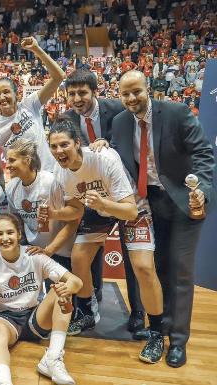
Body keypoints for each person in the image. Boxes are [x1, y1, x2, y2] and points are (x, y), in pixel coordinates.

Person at [111, 70, 215, 367]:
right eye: (126, 94)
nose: (132, 99)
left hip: (184, 201)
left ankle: (179, 341)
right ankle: (162, 327)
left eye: (137, 92)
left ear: (149, 89)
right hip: (150, 202)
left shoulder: (176, 112)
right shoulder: (119, 123)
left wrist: (202, 192)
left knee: (181, 271)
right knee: (158, 268)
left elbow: (204, 154)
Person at [63, 69, 145, 333]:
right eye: (72, 93)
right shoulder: (67, 120)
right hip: (93, 195)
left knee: (133, 255)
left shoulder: (118, 109)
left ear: (95, 92)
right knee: (83, 253)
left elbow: (135, 142)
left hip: (124, 193)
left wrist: (107, 143)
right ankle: (90, 300)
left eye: (83, 93)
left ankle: (139, 313)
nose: (77, 98)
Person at [47, 118, 138, 335]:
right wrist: (55, 213)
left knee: (140, 265)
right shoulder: (60, 172)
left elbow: (131, 211)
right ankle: (87, 312)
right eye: (53, 146)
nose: (59, 150)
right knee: (78, 257)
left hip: (128, 204)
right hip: (99, 209)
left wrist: (103, 204)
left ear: (77, 143)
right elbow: (77, 210)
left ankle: (142, 316)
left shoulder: (102, 158)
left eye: (64, 144)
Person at [0, 214, 83, 385]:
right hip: (4, 319)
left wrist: (67, 289)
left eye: (10, 233)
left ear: (19, 235)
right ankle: (3, 381)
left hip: (34, 317)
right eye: (0, 234)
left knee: (62, 289)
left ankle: (51, 359)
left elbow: (77, 281)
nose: (5, 238)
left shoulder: (34, 255)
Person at [0, 36, 65, 174]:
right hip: (22, 184)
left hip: (50, 175)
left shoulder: (29, 104)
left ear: (17, 95)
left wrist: (36, 49)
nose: (2, 97)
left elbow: (59, 77)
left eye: (6, 92)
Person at [2, 138, 78, 276]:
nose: (7, 165)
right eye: (7, 160)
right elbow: (17, 220)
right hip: (34, 251)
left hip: (61, 252)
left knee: (62, 295)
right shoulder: (11, 188)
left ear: (27, 160)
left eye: (12, 160)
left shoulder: (51, 182)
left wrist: (49, 251)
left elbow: (73, 222)